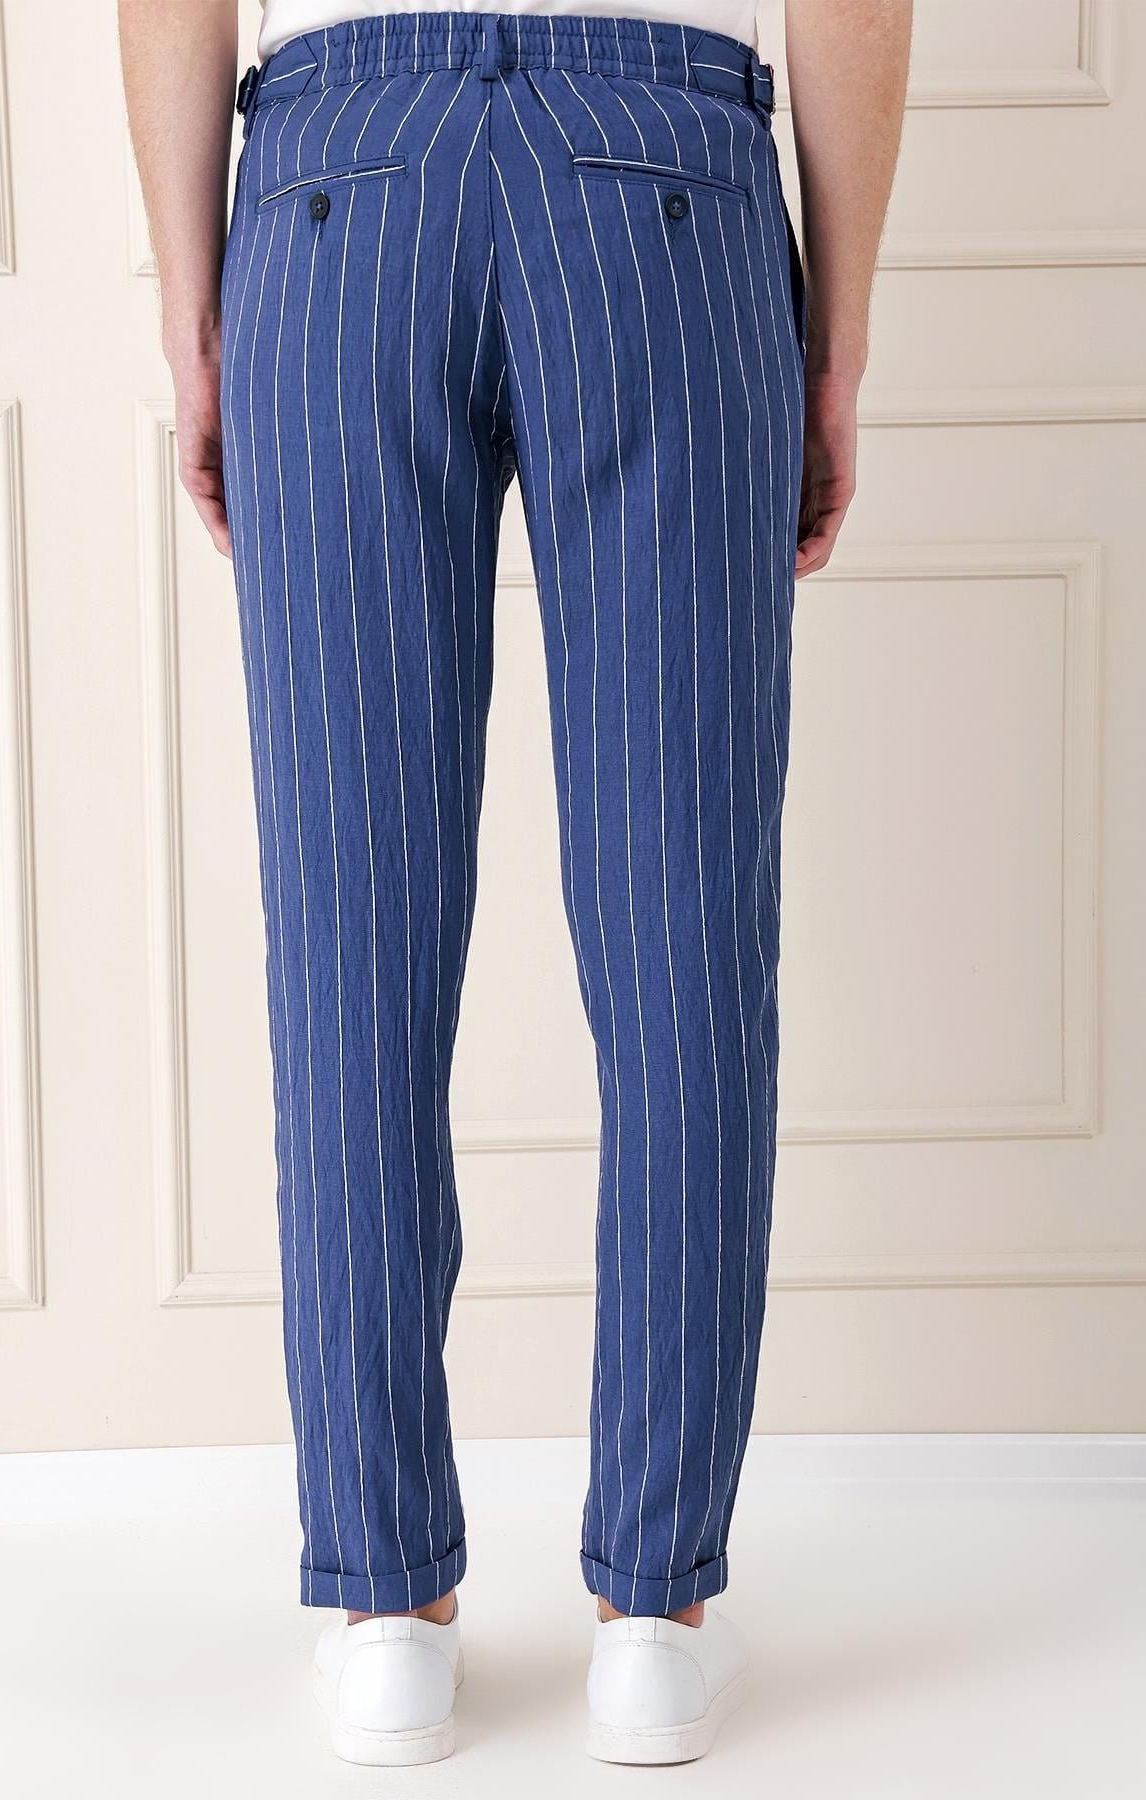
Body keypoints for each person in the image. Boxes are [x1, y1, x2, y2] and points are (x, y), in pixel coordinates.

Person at [121, 0, 910, 1768]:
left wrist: (197, 311)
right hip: (664, 185)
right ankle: (653, 1623)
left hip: (340, 180)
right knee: (685, 947)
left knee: (350, 948)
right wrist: (835, 338)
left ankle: (386, 1614)